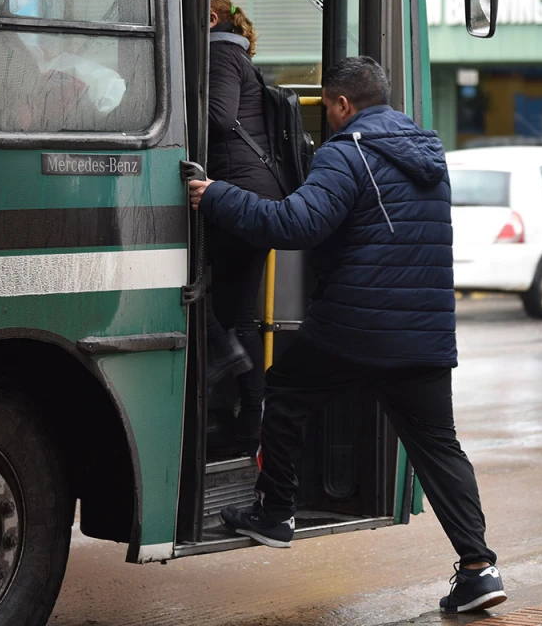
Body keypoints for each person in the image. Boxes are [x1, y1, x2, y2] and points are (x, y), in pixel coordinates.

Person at [187, 56, 506, 614]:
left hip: (357, 327)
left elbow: (295, 225)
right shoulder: (428, 151)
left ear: (340, 105)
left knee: (284, 392)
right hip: (423, 333)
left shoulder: (346, 150)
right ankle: (479, 568)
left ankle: (275, 511)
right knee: (438, 448)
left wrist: (214, 195)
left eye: (328, 108)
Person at [200, 0, 279, 455]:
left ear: (210, 20)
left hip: (237, 195)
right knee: (239, 313)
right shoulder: (234, 53)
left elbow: (218, 117)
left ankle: (232, 382)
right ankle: (250, 417)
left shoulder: (219, 55)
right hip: (253, 195)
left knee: (191, 291)